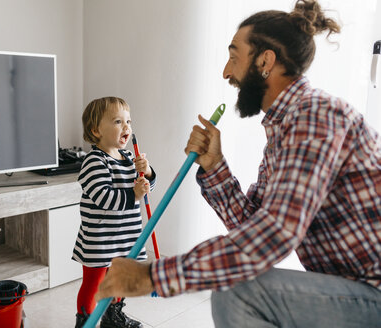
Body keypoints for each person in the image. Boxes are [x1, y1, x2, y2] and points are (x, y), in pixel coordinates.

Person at [95, 1, 381, 327]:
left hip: (372, 293)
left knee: (236, 290)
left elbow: (274, 234)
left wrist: (152, 275)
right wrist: (215, 165)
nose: (226, 72)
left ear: (265, 61)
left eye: (234, 57)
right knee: (237, 285)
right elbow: (252, 228)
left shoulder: (315, 114)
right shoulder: (285, 131)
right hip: (353, 290)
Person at [73, 97, 156, 328]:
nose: (127, 126)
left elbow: (146, 189)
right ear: (95, 130)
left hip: (124, 238)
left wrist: (147, 173)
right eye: (118, 121)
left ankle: (113, 317)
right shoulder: (94, 161)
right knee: (94, 284)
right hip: (100, 240)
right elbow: (104, 198)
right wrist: (134, 195)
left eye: (128, 121)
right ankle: (85, 322)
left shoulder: (130, 158)